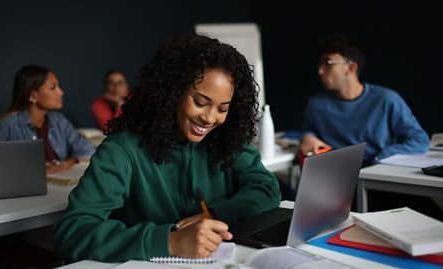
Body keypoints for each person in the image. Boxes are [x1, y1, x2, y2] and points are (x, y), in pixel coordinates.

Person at [52, 33, 281, 262]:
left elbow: (267, 189)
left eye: (222, 109)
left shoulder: (224, 139)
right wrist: (169, 241)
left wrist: (212, 213)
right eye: (200, 102)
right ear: (172, 92)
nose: (210, 118)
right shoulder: (123, 151)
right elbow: (71, 232)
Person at [300, 34, 429, 166]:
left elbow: (419, 140)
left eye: (328, 63)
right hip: (335, 173)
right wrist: (307, 136)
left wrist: (381, 158)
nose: (320, 71)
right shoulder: (316, 105)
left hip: (378, 172)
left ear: (351, 68)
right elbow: (308, 129)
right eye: (319, 64)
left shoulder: (386, 100)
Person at [0, 65, 95, 174]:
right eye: (53, 87)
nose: (61, 92)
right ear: (33, 95)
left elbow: (87, 149)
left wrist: (66, 163)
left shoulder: (59, 120)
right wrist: (34, 169)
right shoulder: (6, 125)